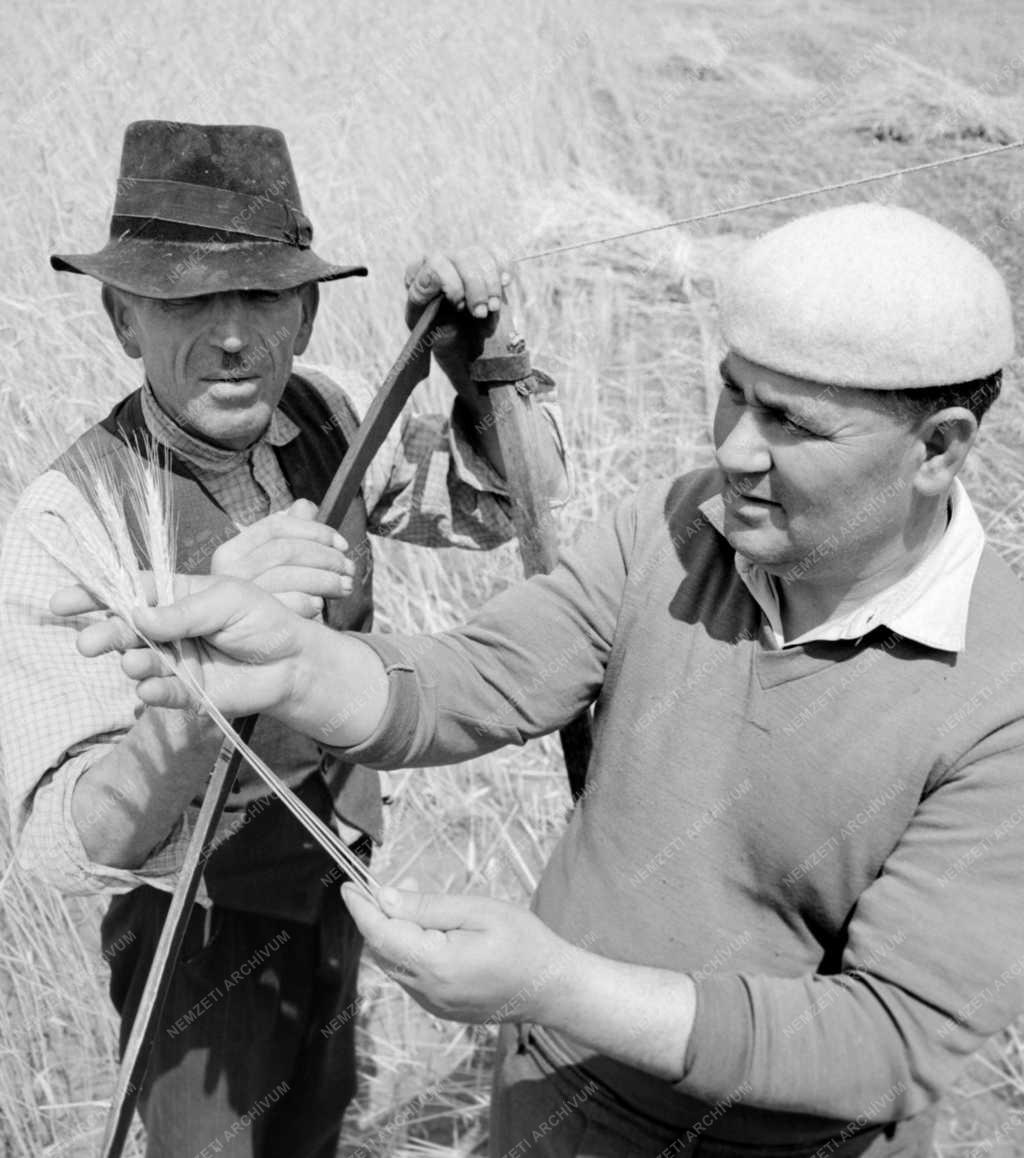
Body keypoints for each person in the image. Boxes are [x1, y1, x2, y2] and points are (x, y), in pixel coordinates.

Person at [58, 202, 1024, 1158]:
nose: (733, 450)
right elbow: (479, 680)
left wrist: (555, 986)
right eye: (733, 394)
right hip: (546, 1100)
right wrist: (294, 664)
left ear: (938, 448)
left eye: (790, 423)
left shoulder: (1002, 701)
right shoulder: (680, 529)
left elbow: (886, 1043)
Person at [0, 120, 568, 1158]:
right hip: (197, 926)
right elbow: (65, 848)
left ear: (304, 314)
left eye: (262, 296)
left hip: (339, 869)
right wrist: (201, 679)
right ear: (122, 318)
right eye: (187, 300)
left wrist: (478, 370)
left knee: (314, 1123)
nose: (233, 337)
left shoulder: (331, 412)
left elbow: (496, 510)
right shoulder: (67, 520)